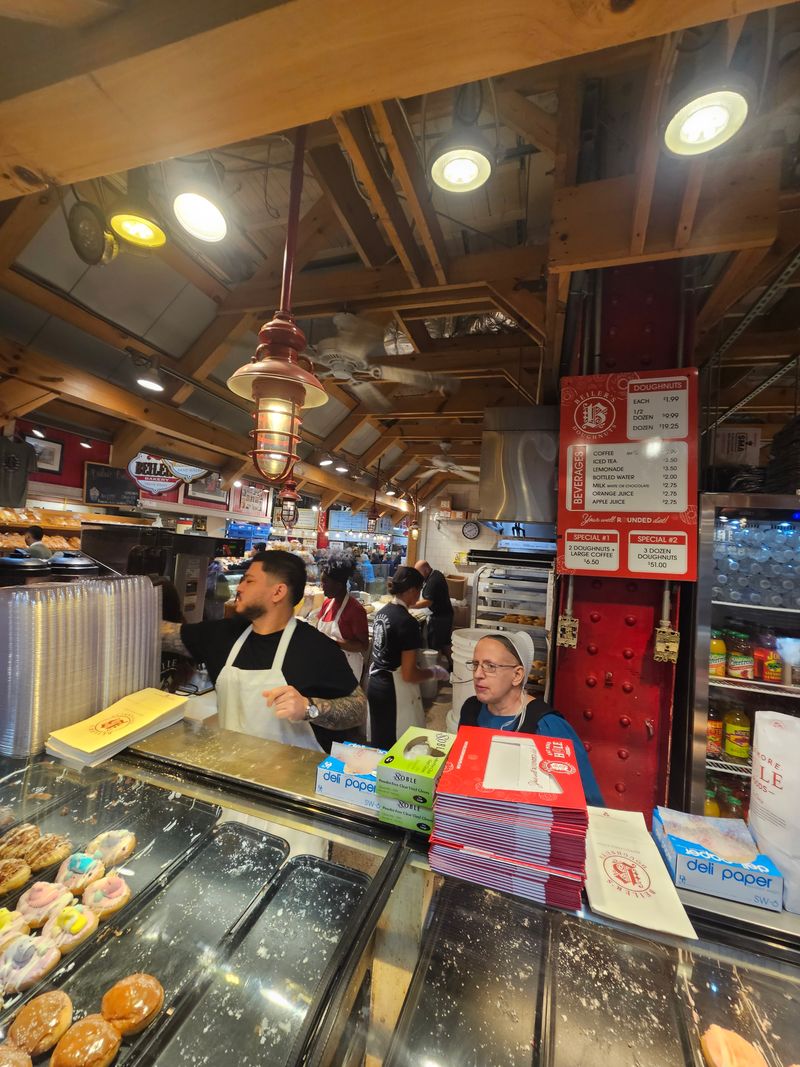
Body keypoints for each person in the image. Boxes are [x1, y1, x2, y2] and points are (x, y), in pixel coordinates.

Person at [161, 549, 365, 752]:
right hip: (230, 765)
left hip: (291, 771)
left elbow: (358, 708)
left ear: (278, 592)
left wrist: (309, 708)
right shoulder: (222, 635)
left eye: (249, 581)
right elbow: (163, 634)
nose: (239, 588)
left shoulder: (316, 647)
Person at [458, 631, 604, 806]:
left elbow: (585, 801)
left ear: (517, 675)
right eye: (475, 664)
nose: (477, 674)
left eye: (490, 666)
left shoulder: (547, 725)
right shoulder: (471, 709)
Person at [368, 566, 448, 750]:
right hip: (394, 691)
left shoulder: (382, 612)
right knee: (397, 745)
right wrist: (433, 672)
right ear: (412, 590)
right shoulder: (407, 623)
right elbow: (409, 674)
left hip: (375, 684)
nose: (419, 596)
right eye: (419, 591)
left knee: (379, 742)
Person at [316, 553, 369, 682]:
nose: (322, 586)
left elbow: (363, 645)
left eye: (325, 582)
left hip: (346, 671)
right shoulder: (327, 603)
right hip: (325, 667)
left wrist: (333, 643)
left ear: (339, 585)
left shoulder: (355, 610)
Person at [414, 560, 454, 661]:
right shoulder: (436, 574)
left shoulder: (433, 580)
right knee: (445, 643)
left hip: (439, 619)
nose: (418, 576)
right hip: (445, 615)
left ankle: (435, 667)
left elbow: (427, 602)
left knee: (435, 646)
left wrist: (409, 605)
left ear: (426, 570)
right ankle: (451, 666)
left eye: (419, 573)